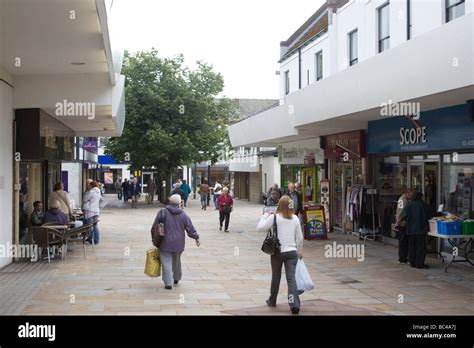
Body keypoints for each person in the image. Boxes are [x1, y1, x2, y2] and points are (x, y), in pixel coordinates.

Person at [256, 196, 303, 314]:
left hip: (278, 252)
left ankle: (272, 300)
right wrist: (299, 251)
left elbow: (259, 228)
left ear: (279, 205)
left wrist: (265, 216)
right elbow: (300, 238)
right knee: (291, 279)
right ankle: (294, 305)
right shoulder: (295, 218)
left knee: (276, 277)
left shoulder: (274, 217)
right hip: (292, 253)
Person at [152, 194, 200, 289]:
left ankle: (168, 283)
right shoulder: (183, 215)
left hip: (164, 242)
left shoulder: (162, 212)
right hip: (178, 243)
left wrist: (154, 239)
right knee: (177, 261)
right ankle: (177, 277)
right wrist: (196, 237)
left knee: (166, 262)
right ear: (179, 203)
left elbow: (154, 227)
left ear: (169, 202)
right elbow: (190, 228)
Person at [400, 191, 433, 269]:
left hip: (410, 229)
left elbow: (404, 216)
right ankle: (420, 263)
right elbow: (430, 215)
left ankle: (412, 262)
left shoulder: (408, 205)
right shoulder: (424, 205)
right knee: (420, 247)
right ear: (420, 197)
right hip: (421, 229)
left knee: (412, 246)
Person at [396, 189, 413, 264]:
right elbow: (401, 211)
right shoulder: (403, 200)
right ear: (406, 193)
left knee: (403, 241)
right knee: (403, 242)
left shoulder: (403, 199)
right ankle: (402, 258)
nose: (411, 196)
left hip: (402, 223)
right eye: (410, 194)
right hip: (403, 223)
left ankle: (403, 257)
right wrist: (399, 221)